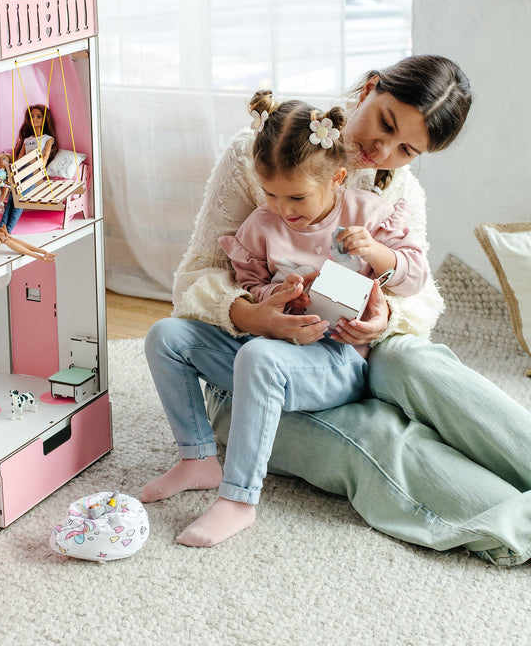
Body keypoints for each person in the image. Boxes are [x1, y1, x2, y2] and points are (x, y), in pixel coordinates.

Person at [144, 54, 531, 564]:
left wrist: (383, 317)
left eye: (407, 149)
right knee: (373, 433)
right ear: (370, 88)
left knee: (420, 364)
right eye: (386, 124)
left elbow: (421, 290)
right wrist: (251, 313)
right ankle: (513, 526)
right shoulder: (261, 150)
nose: (383, 150)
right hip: (252, 362)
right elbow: (197, 275)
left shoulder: (395, 191)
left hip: (347, 348)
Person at [0, 105, 59, 233]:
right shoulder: (27, 140)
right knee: (13, 196)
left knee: (19, 196)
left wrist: (37, 166)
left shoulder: (48, 139)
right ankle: (2, 228)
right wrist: (13, 173)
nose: (34, 119)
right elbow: (19, 161)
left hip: (35, 173)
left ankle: (7, 230)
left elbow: (45, 157)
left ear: (45, 119)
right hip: (23, 171)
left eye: (38, 116)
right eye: (32, 116)